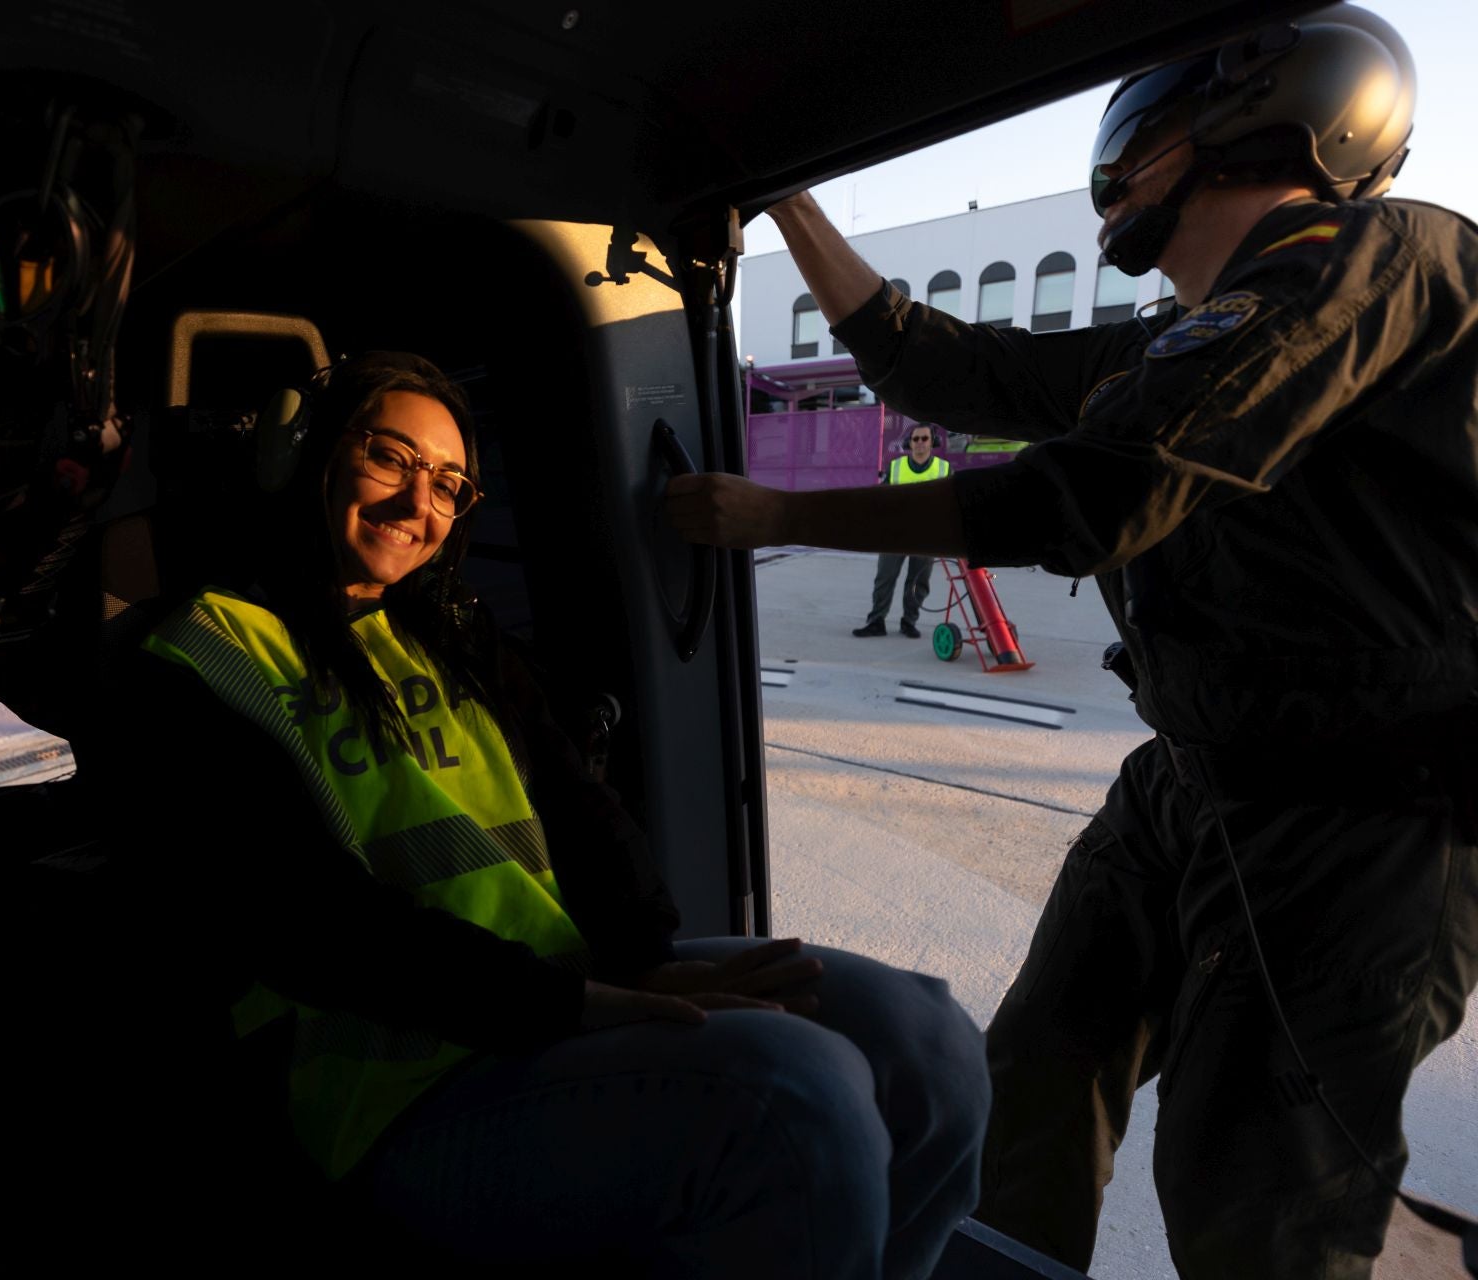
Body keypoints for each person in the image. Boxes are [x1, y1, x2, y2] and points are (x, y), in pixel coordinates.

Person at [665, 7, 1478, 1279]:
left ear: (1257, 117)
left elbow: (1095, 496)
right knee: (1035, 1069)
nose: (1120, 166)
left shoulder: (1375, 260)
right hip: (1193, 777)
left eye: (1147, 132)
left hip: (1360, 821)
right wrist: (787, 202)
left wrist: (779, 516)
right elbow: (944, 368)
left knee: (1255, 1192)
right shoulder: (1185, 338)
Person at [111, 352, 988, 1278]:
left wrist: (644, 959)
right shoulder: (204, 657)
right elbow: (308, 923)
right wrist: (581, 1006)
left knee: (926, 1040)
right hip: (390, 1086)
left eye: (449, 484)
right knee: (795, 1094)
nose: (418, 503)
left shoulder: (449, 629)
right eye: (390, 458)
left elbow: (580, 803)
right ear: (307, 455)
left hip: (553, 998)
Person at [855, 425, 951, 638]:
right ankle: (876, 621)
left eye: (924, 438)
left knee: (918, 582)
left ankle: (909, 622)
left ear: (932, 442)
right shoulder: (896, 467)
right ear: (909, 443)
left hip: (926, 537)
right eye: (915, 439)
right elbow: (882, 498)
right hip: (894, 534)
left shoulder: (944, 469)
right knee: (884, 578)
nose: (920, 443)